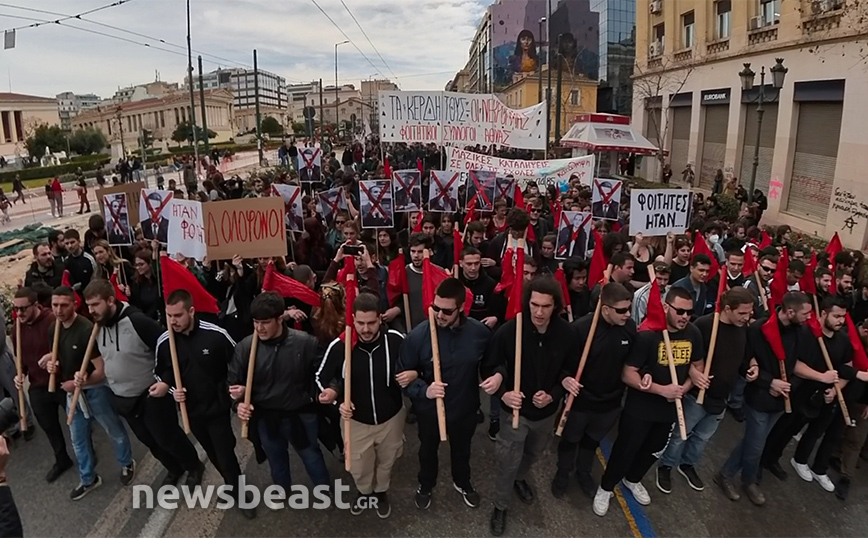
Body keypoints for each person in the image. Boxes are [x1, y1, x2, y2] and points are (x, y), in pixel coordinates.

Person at [83, 279, 204, 488]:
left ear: (110, 300)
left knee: (168, 438)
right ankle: (173, 468)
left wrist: (166, 381)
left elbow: (170, 352)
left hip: (151, 395)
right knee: (150, 442)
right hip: (123, 398)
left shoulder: (138, 322)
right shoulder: (97, 327)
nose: (91, 310)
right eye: (88, 305)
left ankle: (193, 466)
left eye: (95, 305)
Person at [594, 287, 703, 516]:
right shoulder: (648, 335)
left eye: (689, 312)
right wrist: (661, 390)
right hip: (640, 408)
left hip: (669, 411)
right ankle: (606, 487)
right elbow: (628, 374)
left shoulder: (693, 333)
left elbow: (697, 366)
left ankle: (632, 479)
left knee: (653, 450)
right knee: (626, 449)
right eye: (680, 311)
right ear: (666, 307)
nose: (685, 317)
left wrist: (685, 387)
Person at [156, 290, 255, 519]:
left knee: (225, 452)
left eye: (178, 315)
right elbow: (160, 373)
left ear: (191, 311)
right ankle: (230, 484)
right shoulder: (164, 342)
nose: (173, 321)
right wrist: (171, 390)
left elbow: (237, 362)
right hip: (191, 411)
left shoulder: (216, 335)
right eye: (169, 316)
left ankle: (239, 493)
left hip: (217, 407)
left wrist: (236, 392)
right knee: (212, 453)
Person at [485, 277, 572, 535]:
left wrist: (554, 394)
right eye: (534, 304)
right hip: (515, 413)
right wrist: (502, 393)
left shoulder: (566, 333)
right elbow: (490, 366)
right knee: (508, 460)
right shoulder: (510, 331)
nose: (539, 312)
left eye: (546, 306)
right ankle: (501, 505)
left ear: (555, 306)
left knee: (533, 454)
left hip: (546, 413)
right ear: (527, 303)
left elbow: (570, 368)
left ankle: (520, 479)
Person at [398, 278, 492, 510]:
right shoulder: (417, 337)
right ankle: (426, 484)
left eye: (447, 311)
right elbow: (402, 378)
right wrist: (424, 390)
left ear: (460, 308)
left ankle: (462, 482)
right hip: (429, 411)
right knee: (427, 451)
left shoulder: (480, 334)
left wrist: (495, 376)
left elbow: (491, 366)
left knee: (462, 451)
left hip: (464, 408)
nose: (439, 314)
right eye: (436, 308)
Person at [316, 293, 410, 519]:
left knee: (388, 459)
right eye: (360, 323)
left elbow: (415, 364)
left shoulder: (396, 339)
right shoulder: (341, 345)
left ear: (380, 318)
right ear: (352, 320)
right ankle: (364, 491)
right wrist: (335, 397)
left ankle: (381, 492)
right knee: (358, 465)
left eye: (371, 323)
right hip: (355, 420)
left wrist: (413, 373)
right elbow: (321, 377)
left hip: (392, 417)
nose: (366, 329)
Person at [716, 291, 813, 506]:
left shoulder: (802, 332)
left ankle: (725, 474)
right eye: (805, 313)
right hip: (759, 397)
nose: (809, 317)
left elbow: (800, 365)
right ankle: (749, 480)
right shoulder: (759, 329)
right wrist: (770, 383)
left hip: (782, 398)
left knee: (753, 441)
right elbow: (746, 363)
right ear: (790, 311)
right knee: (756, 444)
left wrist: (788, 387)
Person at [229, 292, 330, 493]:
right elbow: (232, 383)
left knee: (311, 454)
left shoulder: (306, 343)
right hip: (267, 418)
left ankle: (324, 490)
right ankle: (282, 490)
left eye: (265, 322)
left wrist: (328, 390)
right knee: (276, 459)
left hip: (301, 415)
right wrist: (238, 402)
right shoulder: (246, 348)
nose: (259, 328)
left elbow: (324, 375)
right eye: (256, 322)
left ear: (280, 319)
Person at [657, 288, 754, 494]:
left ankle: (687, 464)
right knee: (680, 435)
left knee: (702, 437)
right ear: (727, 309)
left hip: (722, 396)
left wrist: (749, 369)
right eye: (742, 313)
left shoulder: (743, 329)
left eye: (749, 313)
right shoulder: (704, 325)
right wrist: (694, 373)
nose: (746, 318)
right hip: (697, 395)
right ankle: (666, 465)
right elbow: (684, 354)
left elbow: (742, 358)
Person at [44, 286, 135, 500]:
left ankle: (126, 463)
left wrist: (84, 381)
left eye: (64, 305)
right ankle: (88, 479)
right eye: (55, 305)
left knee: (113, 429)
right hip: (71, 391)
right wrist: (52, 365)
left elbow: (101, 371)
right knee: (78, 439)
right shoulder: (53, 328)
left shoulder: (86, 329)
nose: (58, 310)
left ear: (74, 305)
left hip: (95, 391)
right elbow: (57, 357)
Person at [760, 296, 856, 494]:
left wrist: (835, 388)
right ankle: (760, 462)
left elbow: (846, 367)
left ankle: (772, 460)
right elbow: (794, 364)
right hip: (798, 391)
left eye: (843, 317)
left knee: (796, 430)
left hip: (820, 397)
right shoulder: (804, 333)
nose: (840, 321)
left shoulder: (843, 340)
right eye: (836, 316)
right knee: (780, 428)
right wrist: (822, 377)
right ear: (823, 313)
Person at [553, 283, 636, 499]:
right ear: (605, 308)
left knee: (592, 442)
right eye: (621, 310)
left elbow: (633, 363)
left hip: (610, 403)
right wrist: (565, 379)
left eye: (629, 309)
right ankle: (563, 473)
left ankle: (584, 472)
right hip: (580, 402)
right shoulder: (581, 329)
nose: (627, 314)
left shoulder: (630, 328)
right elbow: (561, 364)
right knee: (570, 440)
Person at [12, 287, 73, 482]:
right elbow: (21, 360)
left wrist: (56, 359)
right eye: (16, 309)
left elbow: (69, 351)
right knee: (49, 426)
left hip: (62, 381)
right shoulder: (16, 329)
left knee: (77, 424)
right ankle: (62, 459)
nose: (19, 313)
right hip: (38, 385)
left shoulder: (52, 322)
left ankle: (86, 453)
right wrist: (20, 375)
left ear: (35, 305)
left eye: (23, 309)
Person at [670, 253, 713, 318]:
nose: (704, 274)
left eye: (707, 271)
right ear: (692, 269)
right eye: (701, 270)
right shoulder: (678, 287)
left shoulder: (705, 288)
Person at [63, 229, 98, 294]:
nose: (70, 246)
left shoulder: (89, 259)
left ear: (79, 241)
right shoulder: (66, 260)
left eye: (72, 242)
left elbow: (96, 277)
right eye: (67, 243)